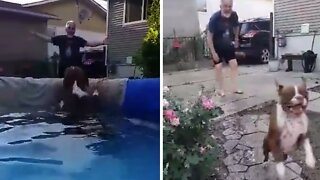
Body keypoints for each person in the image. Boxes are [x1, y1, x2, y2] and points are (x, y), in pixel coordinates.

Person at [31, 20, 107, 77]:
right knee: (63, 84)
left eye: (73, 28)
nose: (71, 30)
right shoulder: (61, 39)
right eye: (69, 28)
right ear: (66, 29)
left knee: (75, 85)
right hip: (63, 67)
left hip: (76, 67)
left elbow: (90, 44)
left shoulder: (78, 40)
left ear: (75, 30)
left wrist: (102, 42)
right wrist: (36, 34)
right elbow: (48, 39)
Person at [207, 0, 243, 97]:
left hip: (227, 44)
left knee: (234, 64)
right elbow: (209, 37)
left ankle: (235, 88)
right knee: (218, 67)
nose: (227, 9)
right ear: (221, 6)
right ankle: (220, 89)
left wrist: (236, 39)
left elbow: (236, 27)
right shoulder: (215, 18)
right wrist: (213, 52)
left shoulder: (234, 15)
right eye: (225, 6)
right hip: (216, 45)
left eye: (230, 6)